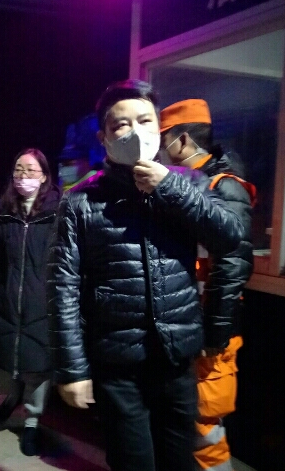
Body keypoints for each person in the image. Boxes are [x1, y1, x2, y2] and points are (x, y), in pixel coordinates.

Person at [46, 79, 245, 471]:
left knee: (179, 461)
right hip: (118, 365)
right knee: (133, 463)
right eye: (121, 125)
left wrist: (168, 187)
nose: (135, 132)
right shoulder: (80, 201)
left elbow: (229, 238)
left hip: (177, 360)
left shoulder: (188, 183)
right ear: (104, 137)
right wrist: (72, 369)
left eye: (144, 120)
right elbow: (61, 287)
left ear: (159, 128)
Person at [158, 99, 255, 471]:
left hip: (206, 330)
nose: (160, 150)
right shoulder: (187, 184)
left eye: (163, 140)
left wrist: (214, 332)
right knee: (181, 421)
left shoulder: (222, 187)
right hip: (183, 324)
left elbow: (232, 264)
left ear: (182, 140)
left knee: (205, 425)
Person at [0, 148, 61, 456]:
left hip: (42, 302)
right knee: (4, 360)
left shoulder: (57, 212)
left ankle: (32, 421)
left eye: (31, 170)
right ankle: (12, 397)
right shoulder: (3, 212)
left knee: (38, 366)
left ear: (45, 176)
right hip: (6, 299)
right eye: (19, 170)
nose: (24, 176)